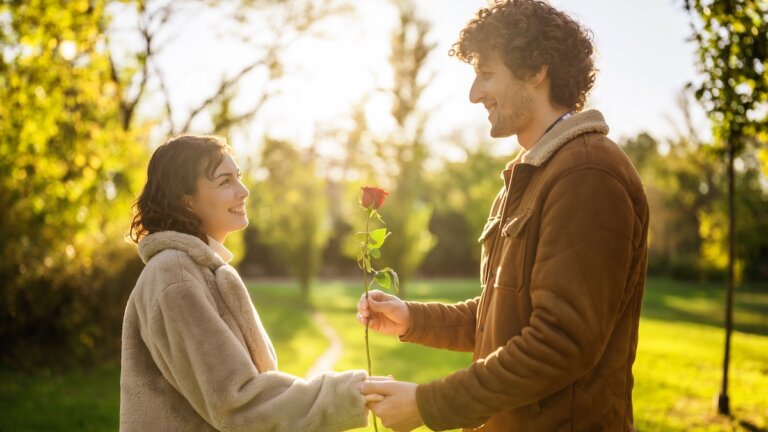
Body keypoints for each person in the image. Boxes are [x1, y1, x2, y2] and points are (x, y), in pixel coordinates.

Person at [358, 1, 650, 431]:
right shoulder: (531, 175)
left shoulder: (587, 173)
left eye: (486, 74)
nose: (475, 94)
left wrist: (428, 403)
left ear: (535, 71)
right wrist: (414, 318)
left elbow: (559, 343)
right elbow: (503, 317)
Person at [120, 135, 373, 431]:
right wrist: (351, 394)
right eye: (225, 181)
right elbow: (235, 403)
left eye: (238, 177)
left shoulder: (199, 270)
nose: (244, 191)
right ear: (186, 201)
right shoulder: (174, 274)